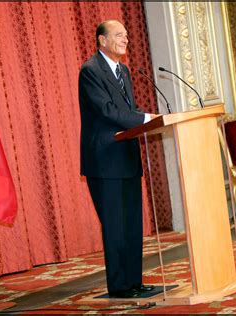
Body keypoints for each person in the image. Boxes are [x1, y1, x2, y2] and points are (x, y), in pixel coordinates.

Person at [78, 19, 158, 298]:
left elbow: (128, 109)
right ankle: (120, 286)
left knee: (132, 224)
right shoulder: (90, 71)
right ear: (102, 40)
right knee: (115, 225)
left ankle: (134, 281)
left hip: (126, 156)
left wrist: (147, 117)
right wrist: (146, 118)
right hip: (104, 160)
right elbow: (108, 111)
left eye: (126, 34)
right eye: (119, 35)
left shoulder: (123, 71)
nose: (126, 39)